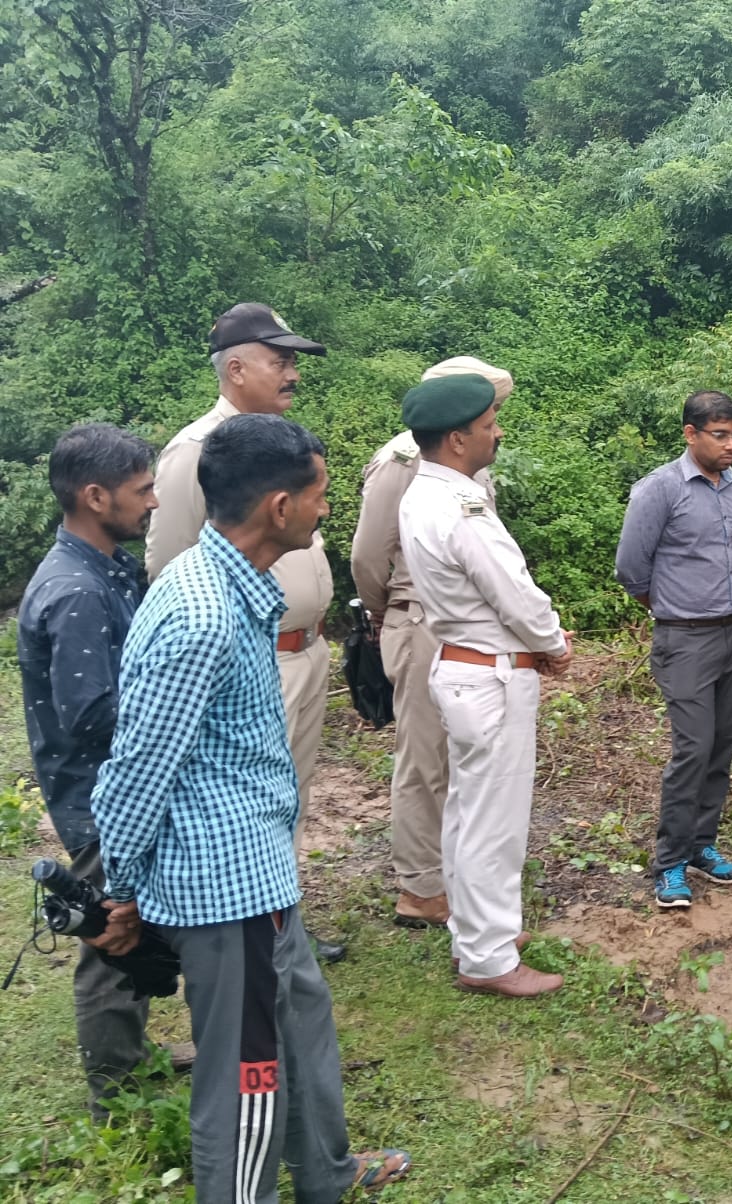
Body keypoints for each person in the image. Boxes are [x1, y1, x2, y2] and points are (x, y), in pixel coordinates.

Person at [89, 414, 410, 1201]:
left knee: (302, 1020)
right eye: (320, 495)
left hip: (259, 868)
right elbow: (137, 770)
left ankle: (327, 1173)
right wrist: (120, 890)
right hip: (225, 887)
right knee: (246, 1078)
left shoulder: (236, 590)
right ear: (278, 507)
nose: (326, 510)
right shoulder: (198, 614)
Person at [144, 302, 343, 962]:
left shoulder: (282, 447)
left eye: (294, 362)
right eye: (278, 361)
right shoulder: (198, 454)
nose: (292, 374)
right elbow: (171, 565)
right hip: (250, 659)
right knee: (247, 803)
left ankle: (279, 925)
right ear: (234, 369)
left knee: (288, 795)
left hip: (304, 651)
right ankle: (244, 932)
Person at [397, 373, 571, 998]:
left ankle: (482, 932)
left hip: (462, 667)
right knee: (493, 821)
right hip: (490, 673)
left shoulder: (422, 493)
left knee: (469, 814)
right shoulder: (461, 506)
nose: (496, 434)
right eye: (487, 426)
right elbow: (512, 591)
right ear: (456, 439)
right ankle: (489, 958)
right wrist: (552, 642)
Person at [18, 424, 168, 1116]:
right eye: (143, 491)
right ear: (95, 495)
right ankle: (116, 1094)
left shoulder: (103, 567)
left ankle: (129, 1060)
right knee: (110, 932)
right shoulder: (76, 590)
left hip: (115, 788)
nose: (155, 502)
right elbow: (92, 715)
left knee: (127, 922)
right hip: (101, 795)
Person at [352, 356, 512, 930]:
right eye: (487, 411)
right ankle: (419, 887)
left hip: (462, 622)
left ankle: (453, 869)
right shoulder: (402, 461)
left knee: (461, 755)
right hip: (419, 617)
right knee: (424, 758)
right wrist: (385, 612)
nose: (495, 423)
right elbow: (368, 555)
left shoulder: (465, 461)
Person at [616, 390, 732, 910]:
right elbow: (631, 568)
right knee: (693, 748)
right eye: (719, 435)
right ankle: (670, 861)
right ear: (690, 434)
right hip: (685, 638)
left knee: (722, 743)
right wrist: (673, 605)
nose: (730, 445)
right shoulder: (659, 490)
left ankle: (702, 845)